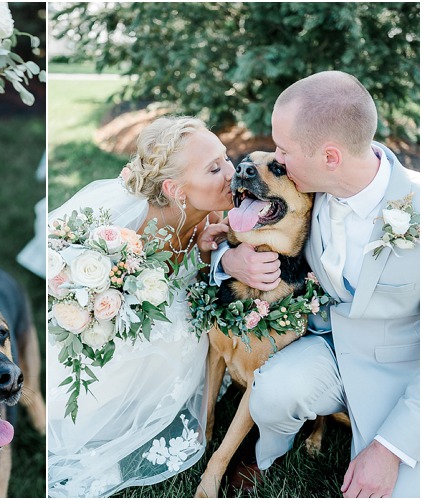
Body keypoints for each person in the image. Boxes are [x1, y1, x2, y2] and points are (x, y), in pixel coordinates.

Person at [212, 71, 420, 497]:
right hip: (324, 350)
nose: (276, 161)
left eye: (284, 151)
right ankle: (264, 453)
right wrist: (228, 258)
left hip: (402, 374)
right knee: (272, 391)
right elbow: (239, 228)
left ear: (330, 157)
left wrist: (391, 447)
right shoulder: (307, 192)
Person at [47, 116, 235, 497]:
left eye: (226, 157)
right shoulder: (128, 227)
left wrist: (202, 254)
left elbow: (191, 277)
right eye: (215, 168)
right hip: (104, 322)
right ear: (175, 189)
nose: (232, 171)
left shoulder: (213, 208)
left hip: (156, 308)